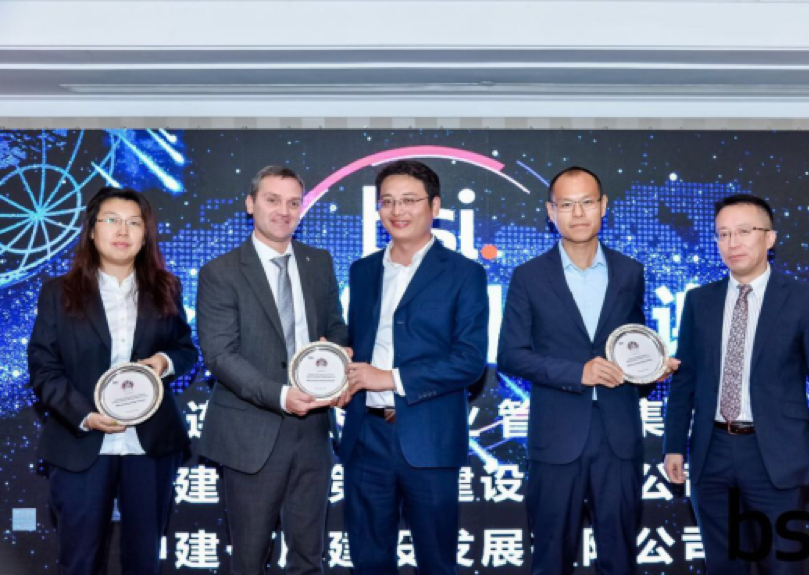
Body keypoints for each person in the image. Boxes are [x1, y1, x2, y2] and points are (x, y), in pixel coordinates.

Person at [497, 166, 677, 575]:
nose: (578, 213)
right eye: (566, 205)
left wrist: (651, 371)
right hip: (556, 437)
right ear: (551, 211)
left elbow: (633, 346)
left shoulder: (630, 272)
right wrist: (577, 372)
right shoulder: (529, 276)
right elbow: (510, 355)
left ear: (603, 205)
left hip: (619, 436)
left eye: (587, 202)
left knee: (620, 558)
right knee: (550, 559)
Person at [663, 194, 809, 575]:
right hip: (711, 452)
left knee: (782, 565)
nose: (732, 243)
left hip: (777, 454)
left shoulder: (803, 299)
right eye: (723, 234)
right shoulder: (699, 301)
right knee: (723, 565)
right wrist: (674, 445)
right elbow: (685, 381)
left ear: (770, 238)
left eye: (744, 231)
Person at [28, 186, 197, 575]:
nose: (123, 231)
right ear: (91, 230)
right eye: (112, 220)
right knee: (80, 561)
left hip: (150, 443)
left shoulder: (167, 287)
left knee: (144, 561)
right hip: (81, 441)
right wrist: (85, 415)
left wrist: (165, 362)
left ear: (145, 234)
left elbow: (186, 349)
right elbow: (43, 367)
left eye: (134, 223)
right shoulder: (58, 292)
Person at [338, 160, 489, 574]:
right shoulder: (363, 271)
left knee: (437, 563)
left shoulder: (465, 273)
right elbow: (357, 343)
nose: (397, 211)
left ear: (434, 206)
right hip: (365, 436)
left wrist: (390, 379)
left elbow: (470, 360)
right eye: (387, 201)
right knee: (368, 561)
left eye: (409, 200)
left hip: (430, 438)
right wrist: (336, 367)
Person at [196, 166, 349, 575]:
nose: (284, 211)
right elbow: (220, 355)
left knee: (308, 558)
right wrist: (281, 396)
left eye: (293, 202)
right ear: (250, 204)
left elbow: (335, 326)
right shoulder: (221, 272)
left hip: (314, 430)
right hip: (251, 432)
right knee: (249, 559)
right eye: (272, 200)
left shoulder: (319, 262)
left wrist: (338, 356)